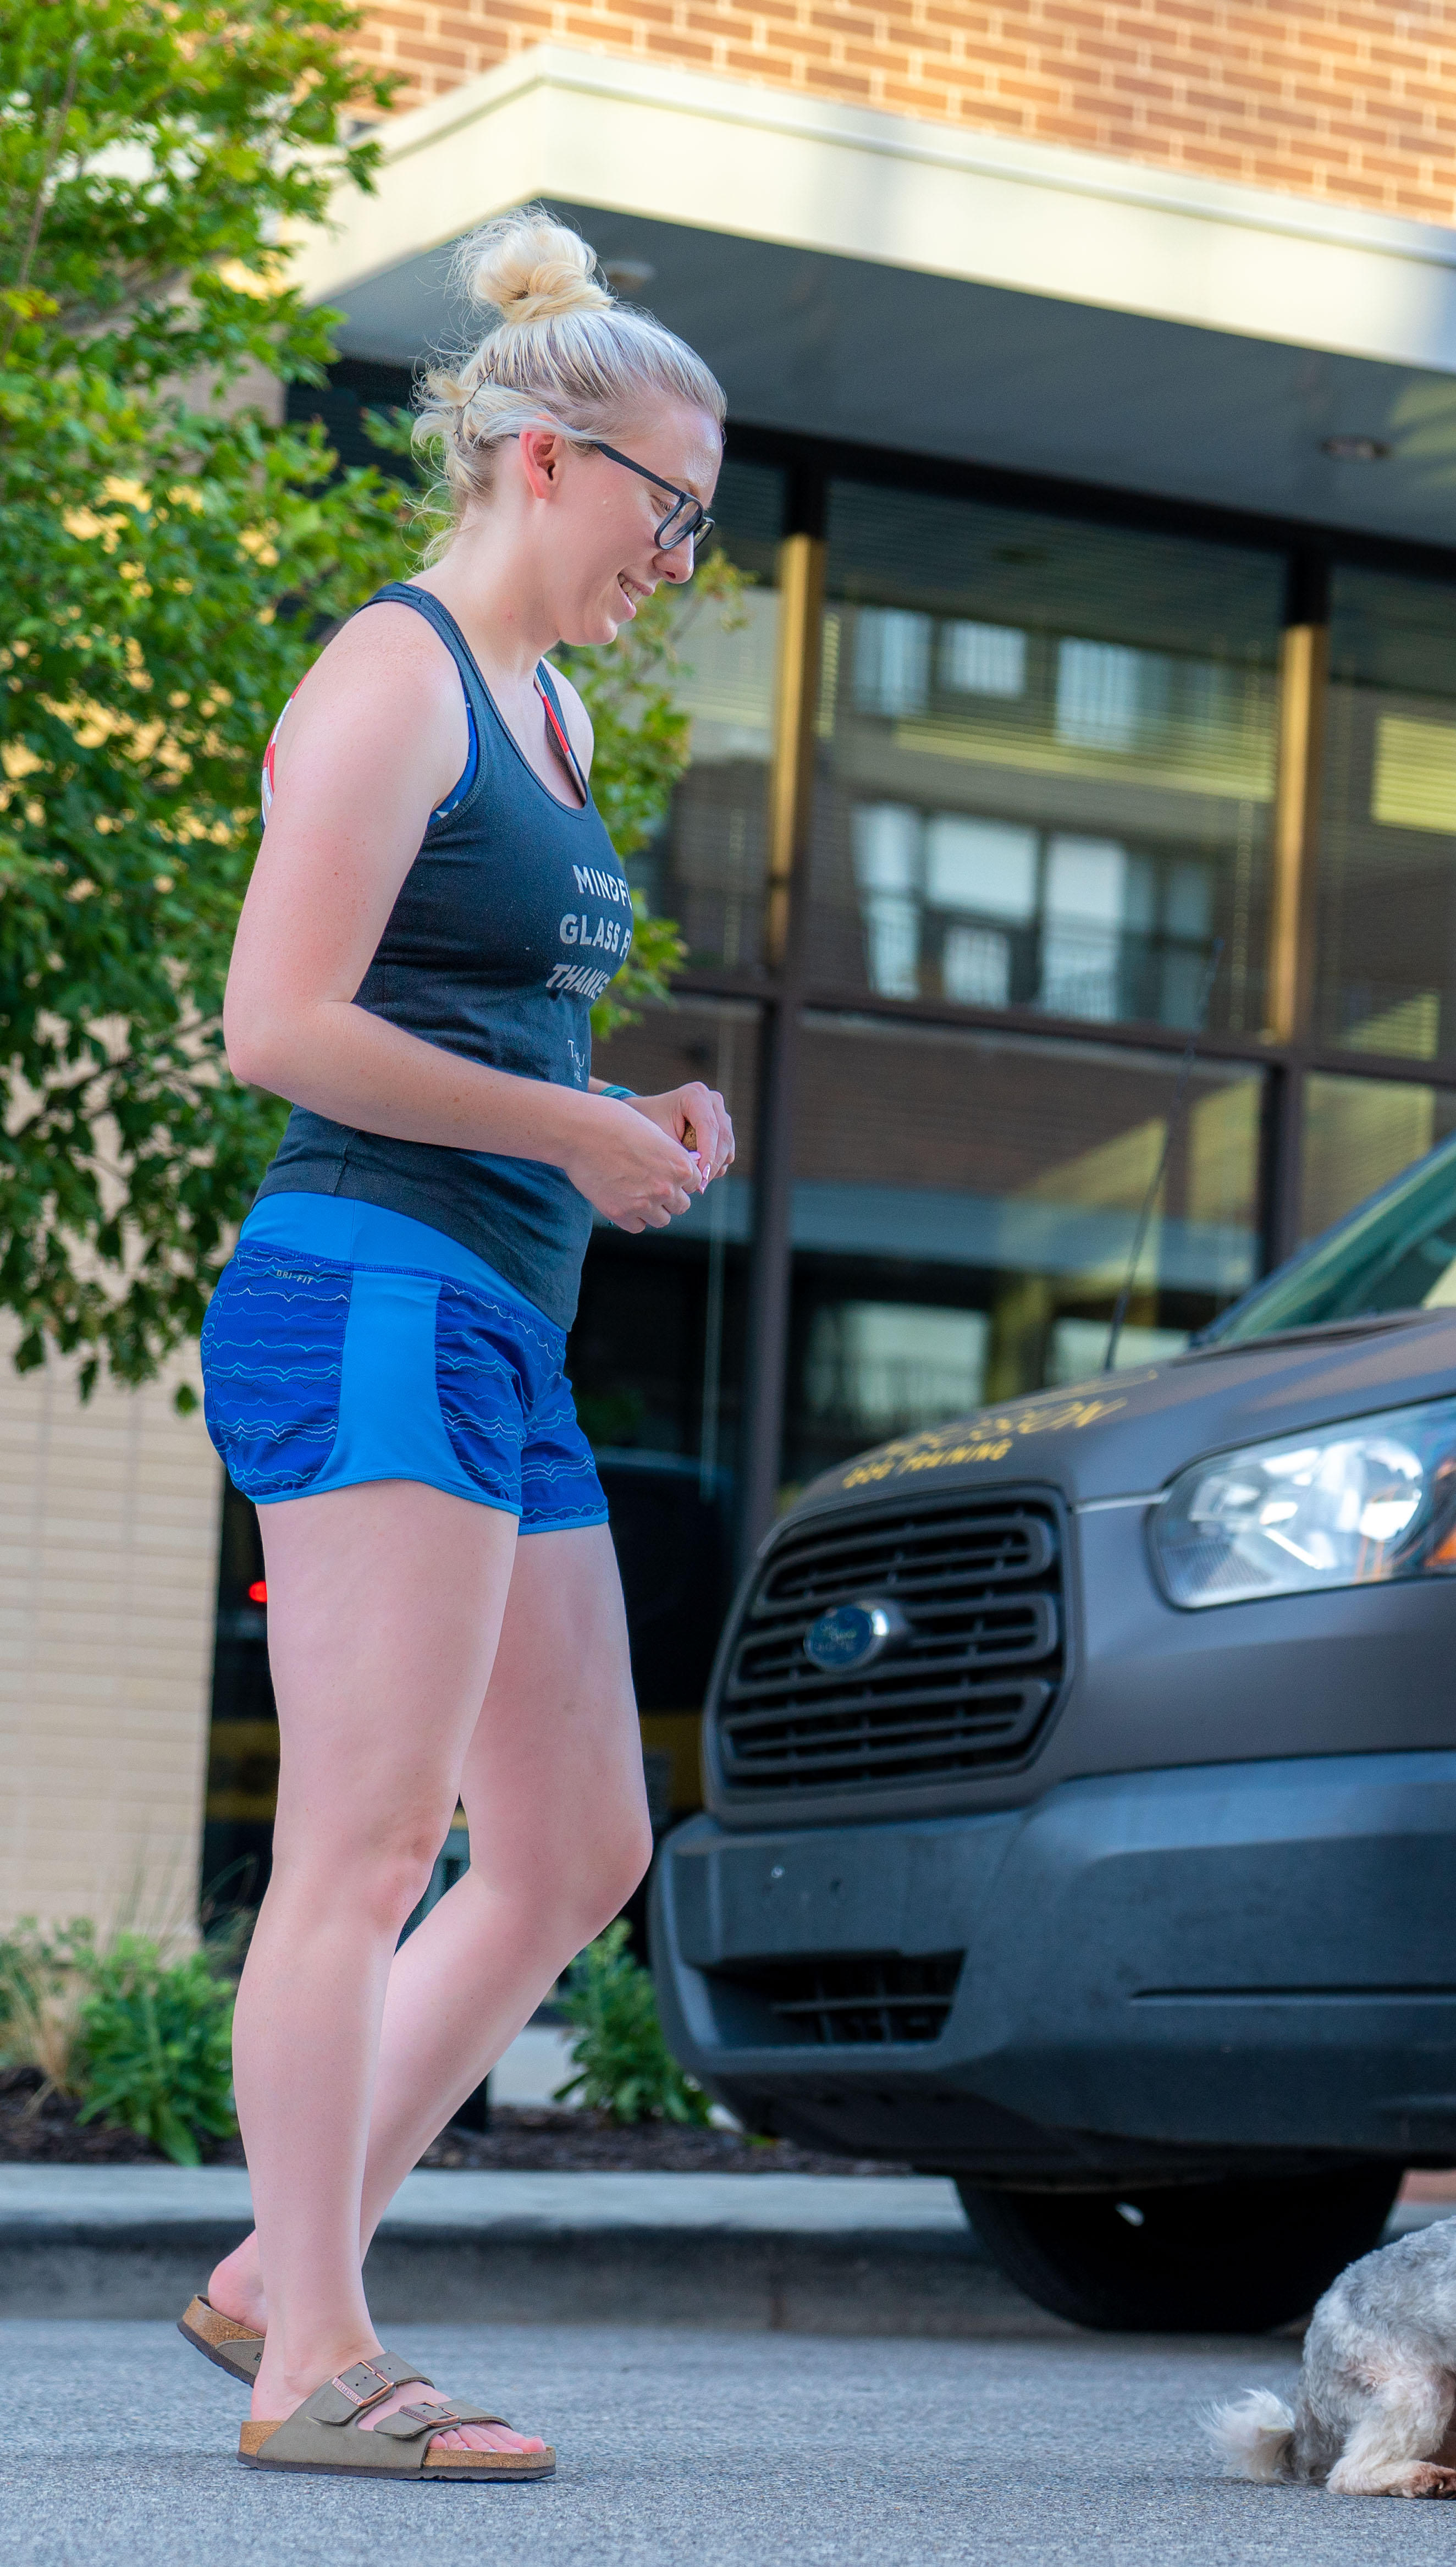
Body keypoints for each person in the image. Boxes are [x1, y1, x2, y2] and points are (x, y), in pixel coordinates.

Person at [187, 208, 735, 2482]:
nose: (680, 558)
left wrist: (620, 1118)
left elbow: (483, 1015)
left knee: (572, 1843)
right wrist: (563, 1126)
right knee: (369, 1831)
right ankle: (316, 2342)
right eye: (666, 508)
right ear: (540, 459)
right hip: (368, 1290)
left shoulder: (559, 711)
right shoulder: (391, 674)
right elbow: (277, 1025)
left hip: (499, 1319)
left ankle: (262, 2270)